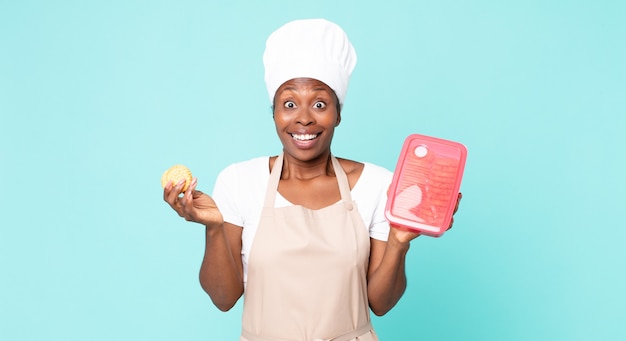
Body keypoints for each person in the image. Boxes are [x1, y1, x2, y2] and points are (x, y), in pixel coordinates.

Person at [163, 18, 461, 341]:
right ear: (274, 112)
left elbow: (381, 302)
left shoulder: (376, 184)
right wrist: (214, 228)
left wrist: (398, 243)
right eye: (289, 104)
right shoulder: (239, 181)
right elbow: (224, 299)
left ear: (338, 113)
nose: (304, 118)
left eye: (319, 104)